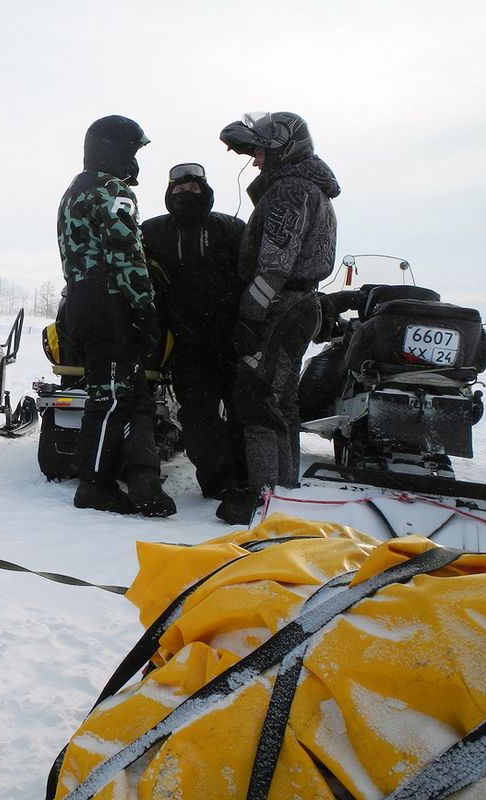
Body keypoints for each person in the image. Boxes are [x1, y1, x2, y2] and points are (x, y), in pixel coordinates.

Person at [216, 112, 340, 524]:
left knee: (257, 398)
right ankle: (285, 493)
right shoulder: (310, 187)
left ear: (285, 150)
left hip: (280, 306)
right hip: (301, 304)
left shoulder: (289, 190)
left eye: (263, 152)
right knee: (282, 400)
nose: (256, 161)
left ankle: (263, 497)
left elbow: (274, 265)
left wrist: (250, 317)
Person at [56, 115, 176, 517]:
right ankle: (93, 484)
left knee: (115, 391)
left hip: (82, 301)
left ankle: (123, 478)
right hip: (109, 303)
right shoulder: (113, 189)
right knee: (108, 397)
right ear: (116, 150)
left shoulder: (76, 189)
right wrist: (145, 307)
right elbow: (126, 255)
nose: (135, 161)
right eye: (133, 151)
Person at [140, 163, 247, 500]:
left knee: (243, 411)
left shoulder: (230, 228)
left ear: (206, 191)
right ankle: (220, 484)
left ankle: (249, 479)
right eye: (179, 190)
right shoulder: (152, 231)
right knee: (199, 417)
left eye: (193, 189)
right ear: (169, 194)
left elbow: (253, 272)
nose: (186, 195)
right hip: (186, 343)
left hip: (234, 338)